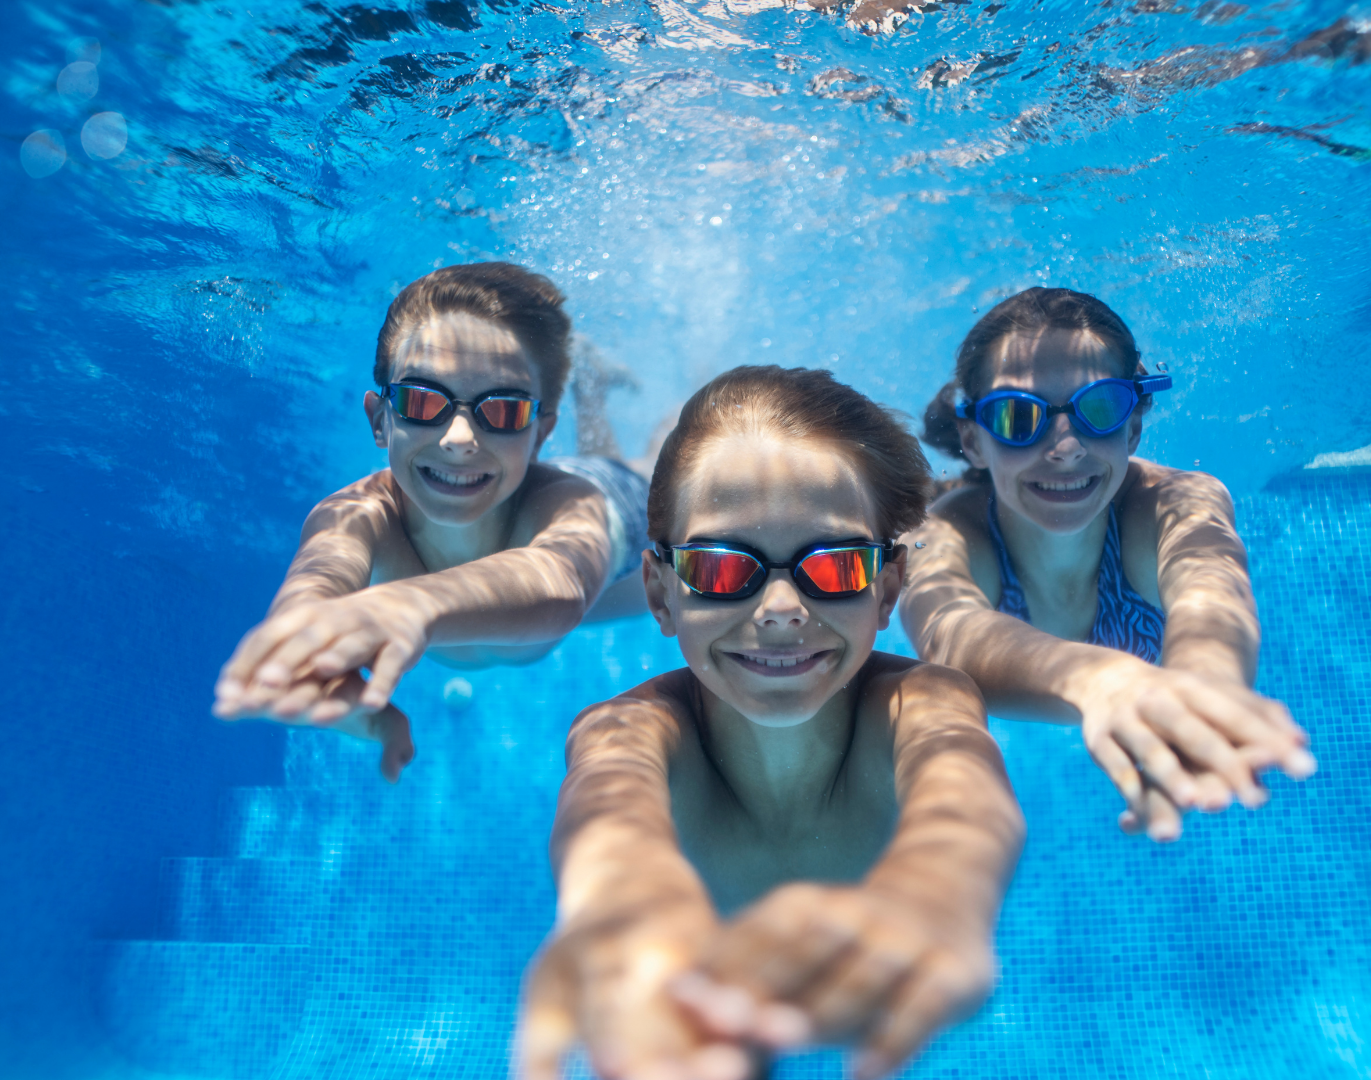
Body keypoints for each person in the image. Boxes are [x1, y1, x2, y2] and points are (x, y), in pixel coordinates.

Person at [519, 366, 1024, 1080]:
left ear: (887, 592)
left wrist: (938, 894)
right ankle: (599, 397)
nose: (782, 608)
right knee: (630, 476)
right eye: (723, 570)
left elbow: (964, 792)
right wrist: (619, 905)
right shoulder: (631, 729)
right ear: (661, 598)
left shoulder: (921, 703)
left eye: (838, 566)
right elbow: (608, 809)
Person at [901, 288, 1317, 841]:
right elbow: (950, 637)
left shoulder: (1177, 504)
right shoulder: (944, 531)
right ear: (974, 441)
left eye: (1099, 408)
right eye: (1017, 417)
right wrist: (1100, 681)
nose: (1067, 447)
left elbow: (1211, 591)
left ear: (1134, 428)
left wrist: (1204, 691)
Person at [210, 262, 656, 779]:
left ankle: (597, 386)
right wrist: (307, 658)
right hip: (519, 609)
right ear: (380, 420)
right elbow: (313, 593)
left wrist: (411, 603)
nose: (459, 438)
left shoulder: (567, 506)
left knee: (659, 463)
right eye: (423, 401)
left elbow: (560, 583)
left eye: (505, 410)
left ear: (538, 433)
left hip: (619, 530)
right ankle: (592, 384)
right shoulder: (356, 516)